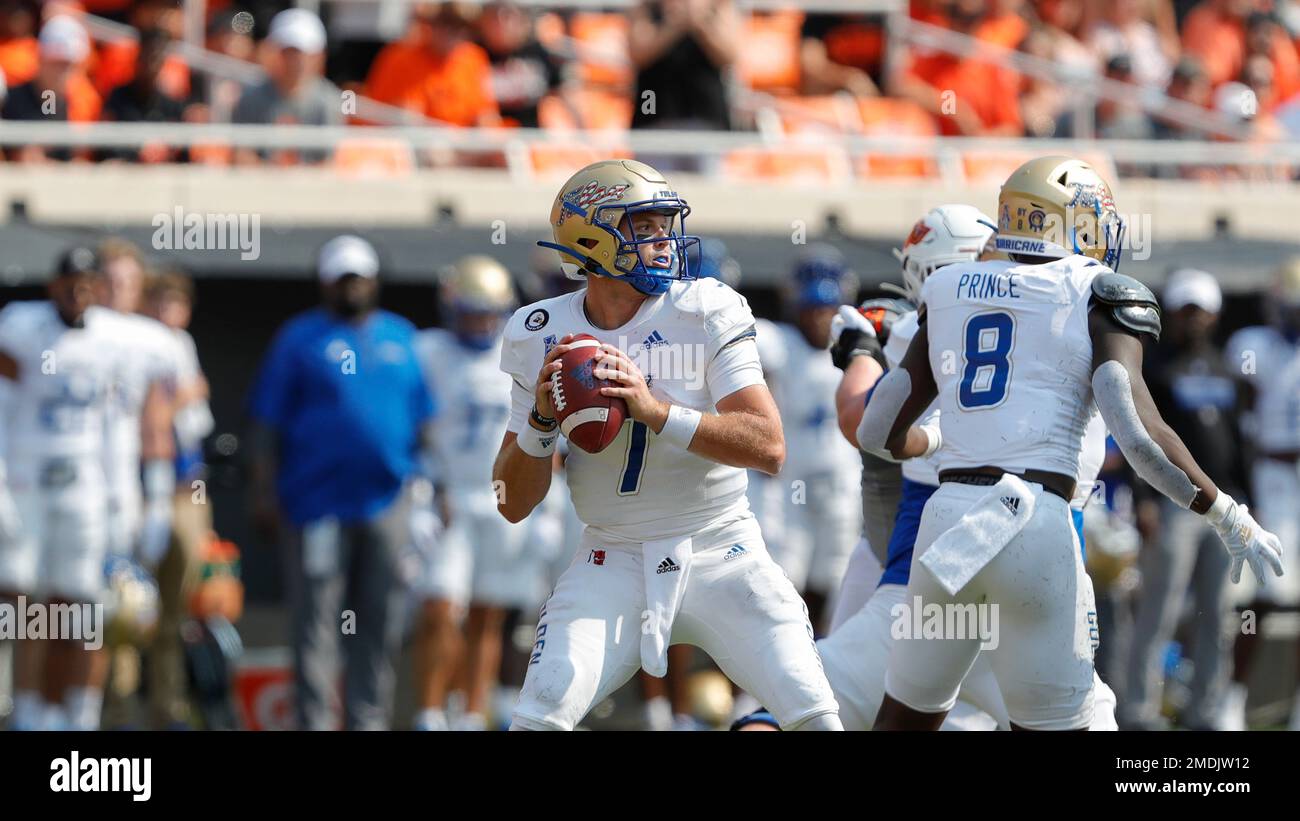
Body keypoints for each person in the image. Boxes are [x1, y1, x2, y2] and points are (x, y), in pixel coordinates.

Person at [860, 155, 1283, 730]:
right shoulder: (1094, 290)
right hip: (1034, 523)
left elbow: (876, 430)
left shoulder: (947, 286)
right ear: (1057, 219)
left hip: (948, 520)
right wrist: (1228, 515)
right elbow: (1137, 435)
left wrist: (940, 439)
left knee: (901, 723)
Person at [496, 159, 840, 731]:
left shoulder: (705, 307)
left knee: (814, 714)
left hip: (721, 546)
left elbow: (768, 446)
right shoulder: (538, 332)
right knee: (541, 711)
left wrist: (657, 412)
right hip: (611, 555)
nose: (664, 242)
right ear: (591, 237)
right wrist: (539, 420)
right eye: (645, 227)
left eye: (665, 226)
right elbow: (510, 500)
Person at [247, 235, 438, 731]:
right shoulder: (299, 338)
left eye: (359, 278)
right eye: (341, 279)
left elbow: (423, 421)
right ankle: (314, 722)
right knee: (316, 623)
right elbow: (267, 422)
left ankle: (368, 719)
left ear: (374, 281)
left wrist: (430, 490)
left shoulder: (401, 336)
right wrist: (264, 491)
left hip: (388, 504)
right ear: (325, 283)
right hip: (316, 506)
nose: (351, 288)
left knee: (380, 620)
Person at [0, 247, 149, 730]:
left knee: (85, 602)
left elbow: (118, 426)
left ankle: (78, 715)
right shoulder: (22, 327)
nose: (78, 293)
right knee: (24, 600)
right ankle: (29, 712)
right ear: (53, 286)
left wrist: (125, 498)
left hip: (84, 482)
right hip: (26, 481)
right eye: (70, 283)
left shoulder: (114, 341)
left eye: (87, 283)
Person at [410, 254, 552, 731]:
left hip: (503, 495)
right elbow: (409, 429)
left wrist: (548, 510)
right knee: (440, 608)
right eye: (471, 310)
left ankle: (471, 714)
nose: (480, 321)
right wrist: (423, 489)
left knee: (489, 613)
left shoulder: (520, 353)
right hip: (450, 496)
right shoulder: (427, 352)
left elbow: (547, 434)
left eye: (487, 311)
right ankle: (431, 712)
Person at [752, 248, 863, 633]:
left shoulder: (858, 344)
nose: (819, 317)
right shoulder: (780, 343)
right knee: (785, 576)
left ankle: (825, 663)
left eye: (826, 308)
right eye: (811, 308)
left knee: (836, 578)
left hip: (841, 483)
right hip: (791, 484)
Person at [1223, 256, 1300, 730]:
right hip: (1272, 475)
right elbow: (1239, 419)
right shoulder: (1253, 346)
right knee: (1265, 597)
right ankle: (1232, 698)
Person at [142, 269, 215, 729]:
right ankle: (113, 713)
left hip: (188, 489)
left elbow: (196, 425)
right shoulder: (132, 344)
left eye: (178, 302)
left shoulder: (183, 345)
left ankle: (167, 711)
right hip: (142, 492)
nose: (170, 312)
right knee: (129, 612)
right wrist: (179, 398)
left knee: (178, 611)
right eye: (160, 301)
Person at [231, 8, 342, 165]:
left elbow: (330, 162)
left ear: (318, 56)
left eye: (300, 53)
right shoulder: (250, 97)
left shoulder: (329, 101)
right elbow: (241, 154)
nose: (294, 60)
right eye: (287, 52)